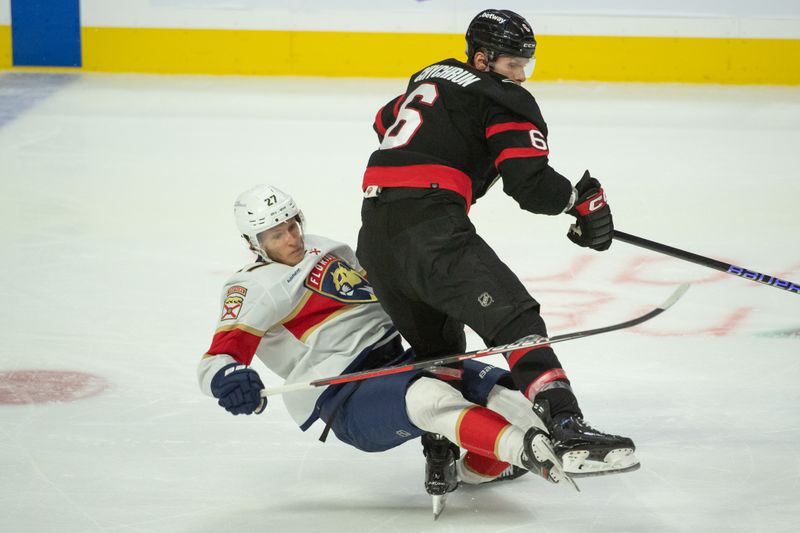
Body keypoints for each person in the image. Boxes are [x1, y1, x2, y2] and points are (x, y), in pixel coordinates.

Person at [357, 8, 638, 477]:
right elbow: (529, 186)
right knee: (513, 317)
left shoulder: (429, 76)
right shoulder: (502, 98)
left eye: (525, 64)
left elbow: (384, 118)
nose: (521, 75)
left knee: (441, 351)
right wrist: (578, 201)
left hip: (376, 234)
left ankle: (440, 455)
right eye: (512, 64)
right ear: (483, 59)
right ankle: (568, 429)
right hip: (432, 228)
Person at [197, 184, 573, 514]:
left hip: (399, 360)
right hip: (343, 393)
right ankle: (521, 451)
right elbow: (217, 359)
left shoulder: (329, 248)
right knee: (430, 397)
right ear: (253, 244)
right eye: (276, 235)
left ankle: (475, 471)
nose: (292, 238)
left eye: (293, 224)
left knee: (502, 391)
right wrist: (228, 379)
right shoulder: (252, 288)